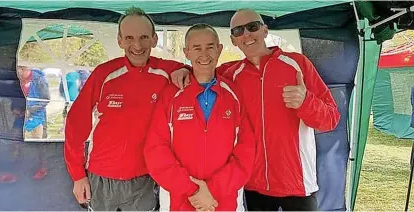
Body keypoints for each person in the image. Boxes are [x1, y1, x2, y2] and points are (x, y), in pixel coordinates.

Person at [63, 7, 190, 211]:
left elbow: (199, 72)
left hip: (145, 179)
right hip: (101, 178)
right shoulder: (104, 74)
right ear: (120, 40)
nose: (137, 45)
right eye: (129, 37)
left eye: (144, 37)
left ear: (154, 39)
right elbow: (75, 125)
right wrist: (78, 175)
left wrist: (185, 69)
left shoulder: (166, 72)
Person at [220, 8, 341, 211]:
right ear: (233, 40)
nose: (246, 34)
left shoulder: (297, 64)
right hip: (253, 185)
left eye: (252, 27)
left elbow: (331, 119)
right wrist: (181, 70)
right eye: (238, 31)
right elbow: (199, 70)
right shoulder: (230, 74)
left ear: (265, 30)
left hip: (297, 185)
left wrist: (306, 102)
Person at [144, 23, 255, 211]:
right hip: (179, 203)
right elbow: (156, 150)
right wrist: (193, 190)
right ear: (186, 53)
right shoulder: (171, 95)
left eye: (210, 47)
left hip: (223, 202)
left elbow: (246, 151)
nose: (204, 54)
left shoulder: (233, 94)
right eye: (197, 48)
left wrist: (212, 190)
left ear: (219, 50)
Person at [0, 66, 50, 183]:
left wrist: (28, 110)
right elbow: (13, 98)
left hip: (36, 118)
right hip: (20, 118)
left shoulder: (39, 79)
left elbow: (46, 99)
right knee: (13, 141)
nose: (19, 72)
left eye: (22, 69)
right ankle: (13, 172)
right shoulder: (16, 81)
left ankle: (42, 168)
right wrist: (14, 108)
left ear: (28, 69)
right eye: (18, 69)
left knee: (38, 144)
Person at [58, 70, 91, 134]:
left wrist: (64, 97)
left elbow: (62, 89)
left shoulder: (70, 75)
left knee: (68, 114)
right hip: (80, 100)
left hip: (71, 99)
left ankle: (66, 128)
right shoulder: (86, 74)